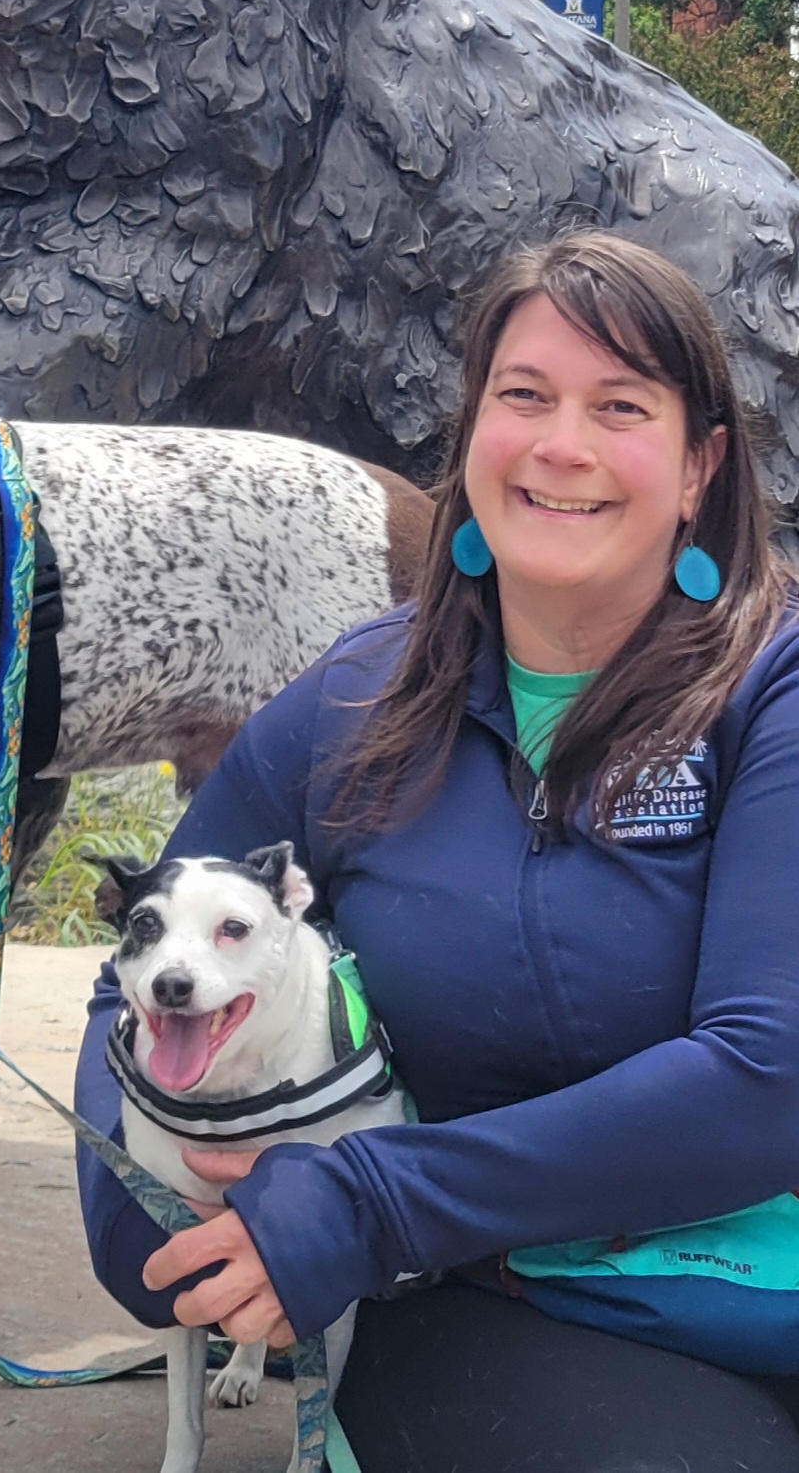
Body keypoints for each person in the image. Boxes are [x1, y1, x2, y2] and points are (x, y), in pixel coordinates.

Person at [76, 231, 799, 1471]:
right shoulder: (351, 700)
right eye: (523, 396)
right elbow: (130, 978)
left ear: (699, 467)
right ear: (471, 434)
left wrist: (369, 1197)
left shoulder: (772, 687)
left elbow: (769, 1074)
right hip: (484, 1296)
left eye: (619, 407)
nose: (561, 444)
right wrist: (160, 1199)